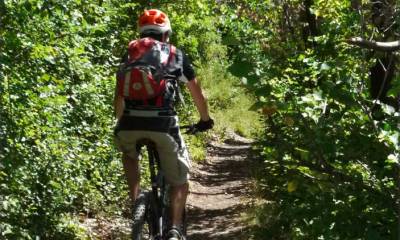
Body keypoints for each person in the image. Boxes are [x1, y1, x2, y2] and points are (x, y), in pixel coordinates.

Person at [113, 9, 213, 240]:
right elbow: (199, 95)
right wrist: (205, 120)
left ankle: (136, 200)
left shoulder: (129, 54)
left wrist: (122, 121)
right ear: (166, 33)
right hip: (163, 125)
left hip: (129, 123)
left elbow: (119, 94)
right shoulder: (175, 54)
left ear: (141, 34)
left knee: (128, 153)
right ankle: (175, 229)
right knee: (180, 181)